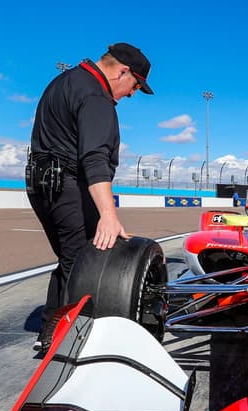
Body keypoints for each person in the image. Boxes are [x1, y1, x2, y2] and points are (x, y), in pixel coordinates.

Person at [27, 42, 154, 352]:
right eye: (135, 85)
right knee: (85, 263)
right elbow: (94, 158)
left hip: (42, 185)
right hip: (68, 185)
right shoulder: (96, 96)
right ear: (122, 71)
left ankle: (51, 330)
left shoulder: (64, 81)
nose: (133, 93)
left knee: (71, 257)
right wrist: (109, 217)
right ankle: (75, 341)